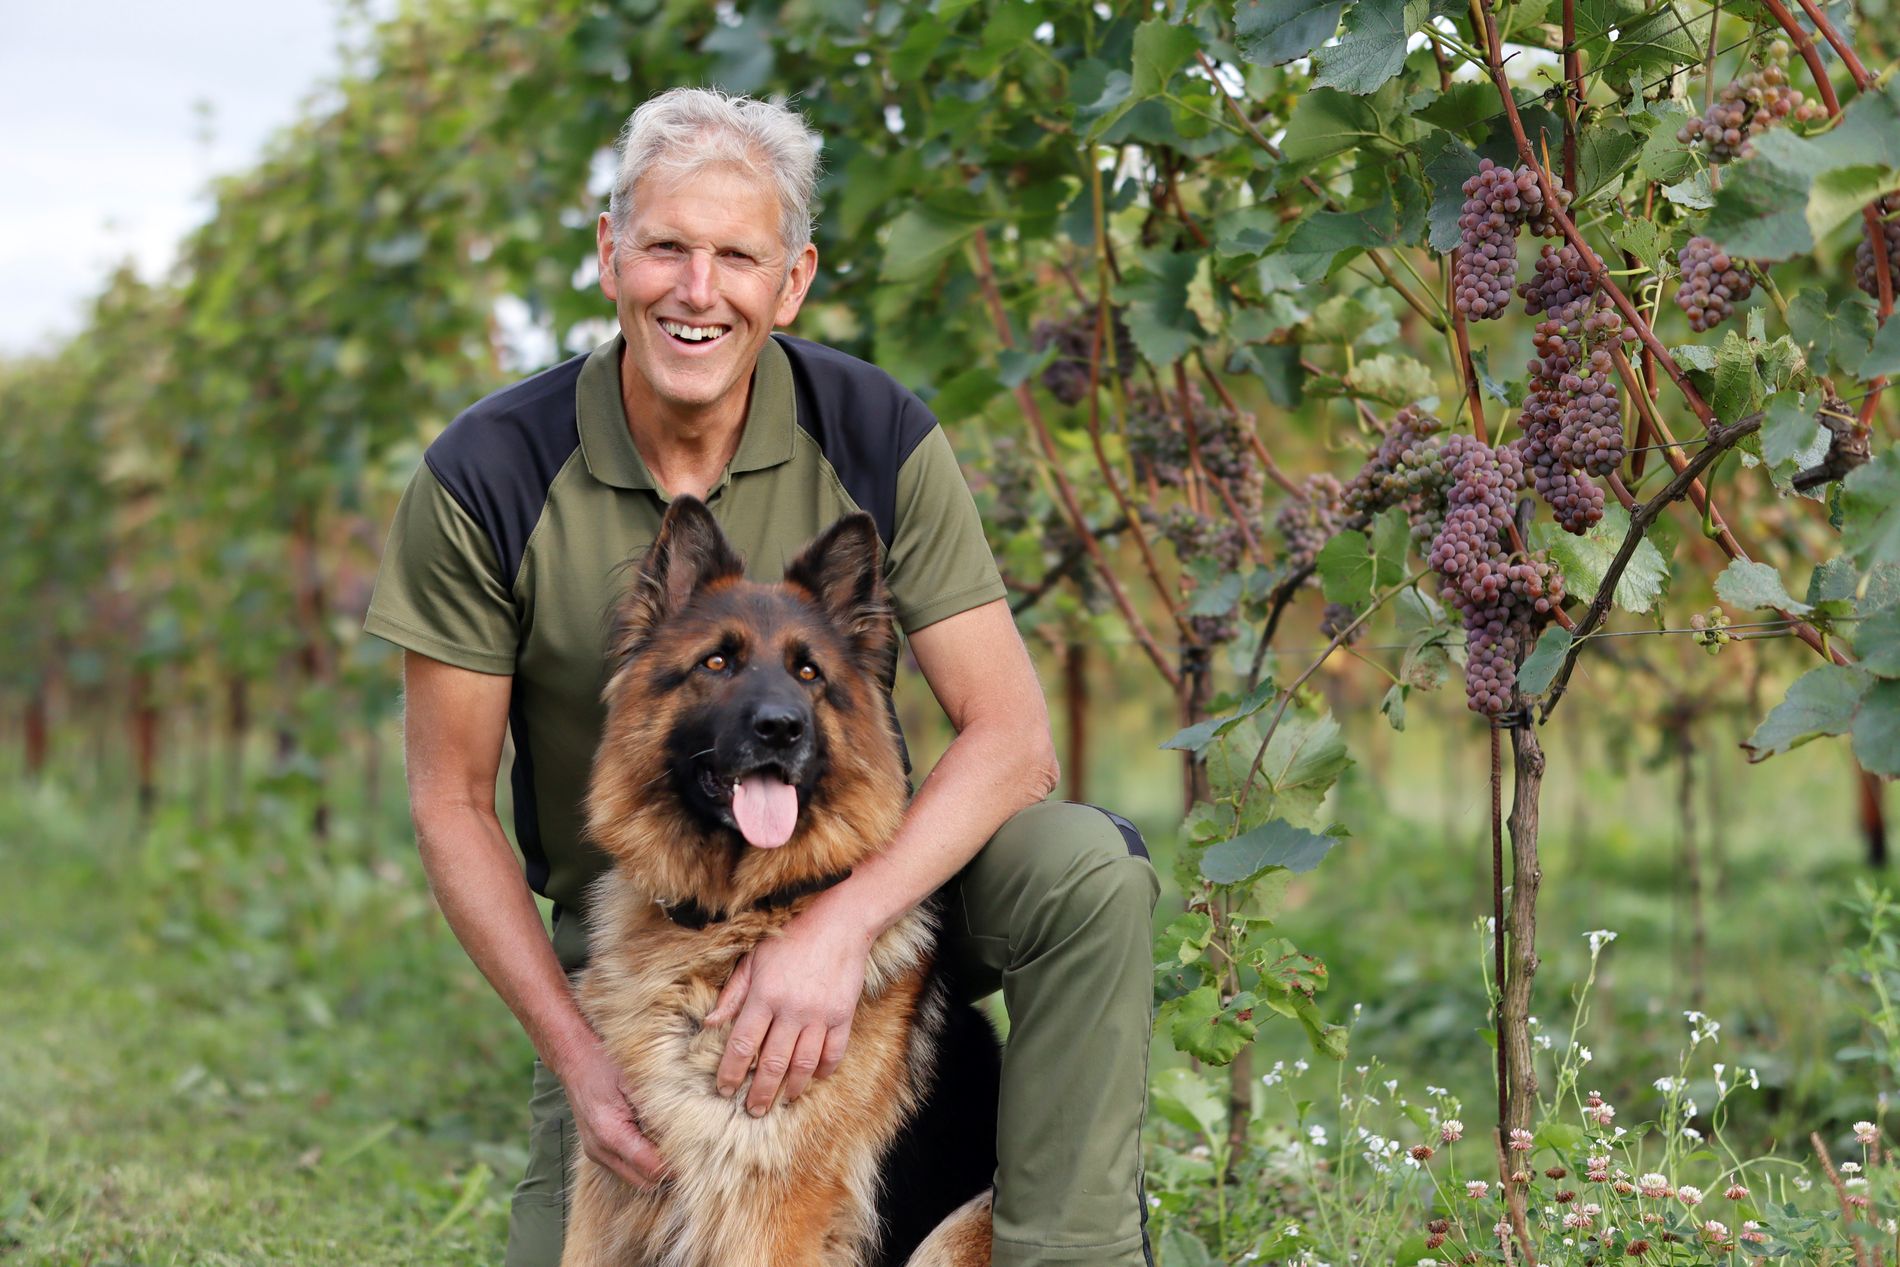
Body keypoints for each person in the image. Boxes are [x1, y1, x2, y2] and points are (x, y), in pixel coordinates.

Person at [365, 87, 1158, 1267]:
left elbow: (1012, 739)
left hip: (867, 891)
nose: (698, 288)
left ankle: (1066, 1253)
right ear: (609, 254)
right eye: (668, 247)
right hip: (629, 936)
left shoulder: (875, 428)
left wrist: (836, 933)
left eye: (737, 255)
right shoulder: (491, 468)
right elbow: (449, 801)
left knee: (1085, 864)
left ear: (789, 282)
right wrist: (583, 1057)